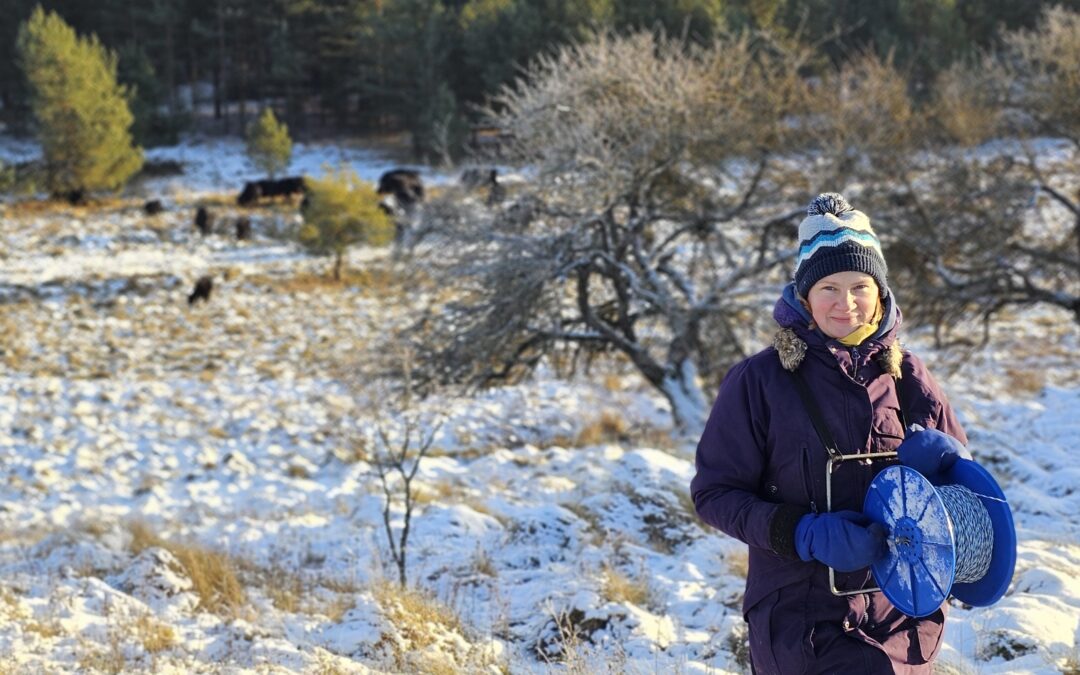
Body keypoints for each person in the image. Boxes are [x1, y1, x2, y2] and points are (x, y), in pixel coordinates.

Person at [691, 193, 972, 674]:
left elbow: (964, 497)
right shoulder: (760, 381)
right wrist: (802, 533)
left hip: (903, 618)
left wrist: (949, 461)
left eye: (861, 286)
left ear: (880, 293)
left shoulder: (909, 377)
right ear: (804, 297)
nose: (847, 304)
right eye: (829, 288)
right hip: (801, 625)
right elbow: (714, 494)